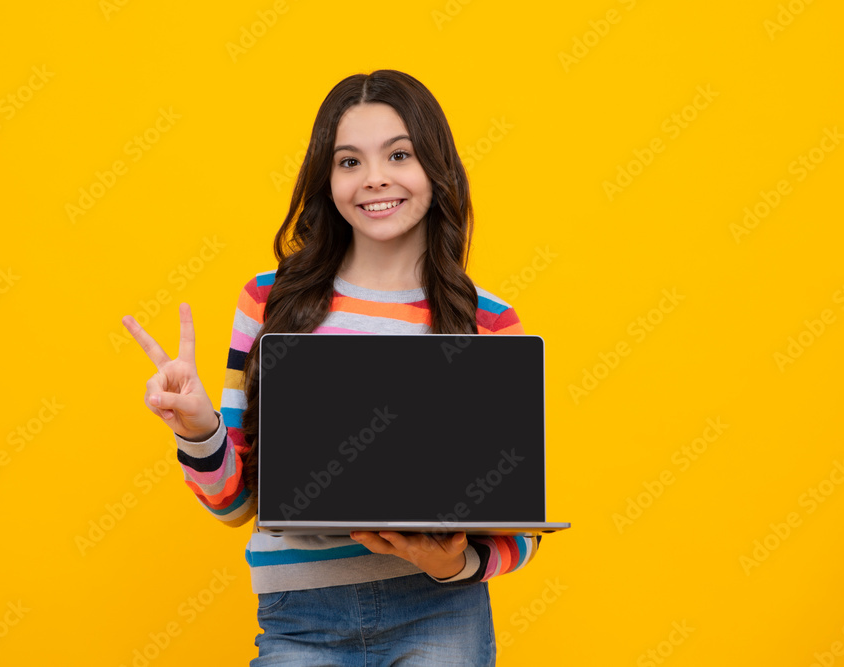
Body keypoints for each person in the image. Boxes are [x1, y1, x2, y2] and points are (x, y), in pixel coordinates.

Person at [122, 69, 543, 666]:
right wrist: (197, 427)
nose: (374, 179)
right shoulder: (270, 302)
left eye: (399, 154)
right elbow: (235, 505)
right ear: (327, 179)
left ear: (436, 167)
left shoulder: (488, 320)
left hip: (440, 612)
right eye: (349, 162)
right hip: (300, 622)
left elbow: (519, 528)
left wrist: (453, 562)